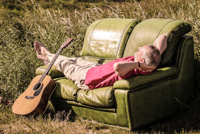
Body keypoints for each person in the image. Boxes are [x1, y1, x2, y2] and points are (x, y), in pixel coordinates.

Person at [34, 34, 167, 91]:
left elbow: (117, 67)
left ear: (142, 60)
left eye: (140, 50)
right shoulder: (152, 64)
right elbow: (163, 37)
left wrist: (139, 65)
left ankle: (45, 53)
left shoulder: (131, 68)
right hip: (97, 68)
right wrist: (156, 53)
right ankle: (49, 59)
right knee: (74, 60)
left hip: (87, 78)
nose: (137, 49)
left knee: (65, 63)